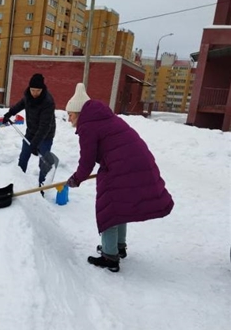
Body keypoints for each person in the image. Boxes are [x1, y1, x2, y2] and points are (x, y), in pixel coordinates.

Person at [65, 83, 174, 272]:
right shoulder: (102, 117)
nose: (69, 119)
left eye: (70, 114)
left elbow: (87, 159)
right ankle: (118, 247)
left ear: (78, 112)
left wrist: (77, 178)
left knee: (109, 209)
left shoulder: (88, 126)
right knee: (119, 206)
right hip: (134, 163)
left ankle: (110, 256)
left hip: (123, 167)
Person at [1, 73, 56, 189]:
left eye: (37, 90)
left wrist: (35, 144)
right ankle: (18, 182)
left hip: (45, 135)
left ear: (42, 89)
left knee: (44, 162)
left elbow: (44, 126)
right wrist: (9, 114)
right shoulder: (28, 96)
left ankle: (42, 187)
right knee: (24, 156)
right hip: (31, 132)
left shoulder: (48, 102)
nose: (34, 93)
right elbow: (20, 105)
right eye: (32, 90)